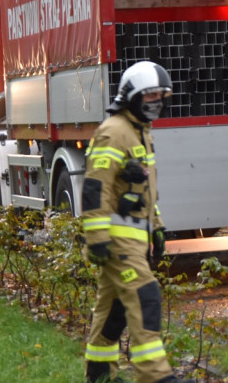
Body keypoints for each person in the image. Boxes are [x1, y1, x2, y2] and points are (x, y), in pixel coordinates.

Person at [81, 61, 190, 383]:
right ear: (132, 95)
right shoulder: (114, 131)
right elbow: (94, 189)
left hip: (134, 239)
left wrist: (155, 225)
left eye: (160, 94)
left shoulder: (141, 132)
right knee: (146, 296)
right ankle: (156, 376)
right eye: (149, 94)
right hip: (117, 243)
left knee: (112, 312)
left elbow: (144, 190)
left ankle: (100, 375)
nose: (156, 100)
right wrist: (97, 238)